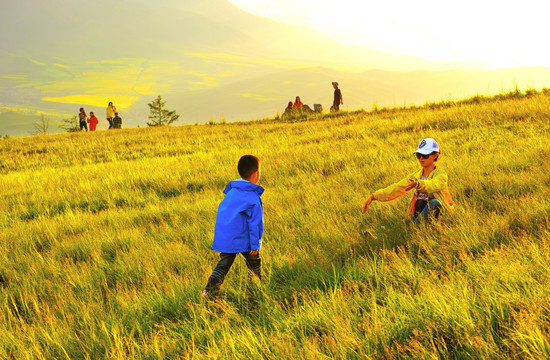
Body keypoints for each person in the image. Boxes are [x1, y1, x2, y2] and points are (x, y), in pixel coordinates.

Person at [203, 155, 264, 297]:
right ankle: (255, 291)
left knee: (223, 265)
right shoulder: (253, 197)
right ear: (256, 174)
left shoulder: (232, 192)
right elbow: (255, 224)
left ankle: (208, 292)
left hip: (226, 238)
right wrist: (255, 245)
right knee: (254, 262)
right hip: (242, 238)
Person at [362, 138, 454, 221]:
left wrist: (418, 184)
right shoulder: (416, 175)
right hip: (420, 213)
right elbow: (397, 188)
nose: (421, 158)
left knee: (434, 203)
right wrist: (374, 196)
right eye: (419, 155)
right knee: (410, 216)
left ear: (435, 155)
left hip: (440, 215)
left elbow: (433, 185)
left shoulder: (441, 174)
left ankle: (415, 227)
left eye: (425, 155)